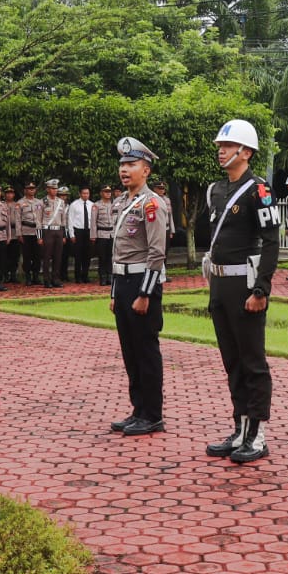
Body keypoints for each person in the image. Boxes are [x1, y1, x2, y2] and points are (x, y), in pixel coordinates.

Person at [201, 120, 282, 464]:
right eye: (219, 144)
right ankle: (239, 426)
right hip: (220, 284)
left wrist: (261, 287)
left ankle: (256, 434)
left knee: (252, 361)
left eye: (228, 144)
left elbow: (270, 242)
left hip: (246, 286)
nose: (220, 149)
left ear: (245, 152)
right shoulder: (215, 190)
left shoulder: (259, 190)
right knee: (231, 360)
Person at [109, 138, 169, 437]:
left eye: (131, 164)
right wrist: (113, 292)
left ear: (145, 170)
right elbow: (117, 252)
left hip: (142, 283)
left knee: (146, 350)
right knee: (129, 351)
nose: (124, 170)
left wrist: (145, 293)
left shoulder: (151, 203)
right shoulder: (121, 203)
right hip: (123, 282)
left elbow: (156, 252)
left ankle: (153, 414)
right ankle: (138, 410)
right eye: (122, 164)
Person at [39, 179, 68, 289]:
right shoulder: (42, 202)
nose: (54, 190)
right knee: (47, 256)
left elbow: (64, 219)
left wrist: (64, 235)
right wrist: (39, 236)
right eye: (52, 188)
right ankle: (46, 279)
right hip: (48, 231)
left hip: (59, 231)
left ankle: (55, 278)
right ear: (47, 189)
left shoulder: (61, 202)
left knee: (58, 256)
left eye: (56, 188)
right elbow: (38, 220)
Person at [18, 183, 42, 286]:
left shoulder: (39, 202)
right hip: (26, 231)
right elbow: (17, 219)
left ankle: (36, 276)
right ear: (25, 190)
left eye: (33, 188)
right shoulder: (20, 203)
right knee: (27, 256)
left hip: (37, 232)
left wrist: (42, 233)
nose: (31, 190)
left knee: (37, 255)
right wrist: (19, 234)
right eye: (29, 189)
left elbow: (42, 217)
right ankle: (28, 277)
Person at [69, 186, 94, 283]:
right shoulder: (74, 205)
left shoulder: (92, 205)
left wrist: (93, 234)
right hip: (78, 231)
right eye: (84, 193)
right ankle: (78, 277)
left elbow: (93, 220)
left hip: (88, 231)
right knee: (78, 255)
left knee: (87, 255)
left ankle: (85, 276)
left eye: (87, 193)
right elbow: (70, 220)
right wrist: (72, 234)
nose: (86, 195)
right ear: (80, 194)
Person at [92, 185, 116, 287]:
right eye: (106, 191)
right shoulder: (96, 205)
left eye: (109, 191)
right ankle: (102, 277)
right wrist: (93, 235)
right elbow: (93, 221)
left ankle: (110, 276)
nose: (108, 193)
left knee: (111, 257)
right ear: (101, 193)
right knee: (102, 257)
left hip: (112, 233)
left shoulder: (114, 204)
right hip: (101, 234)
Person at [1, 186, 22, 287]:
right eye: (7, 193)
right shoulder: (1, 205)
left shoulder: (17, 205)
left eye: (11, 193)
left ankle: (13, 275)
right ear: (4, 195)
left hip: (15, 233)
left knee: (15, 256)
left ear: (14, 194)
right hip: (4, 234)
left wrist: (19, 233)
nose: (9, 195)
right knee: (4, 256)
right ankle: (5, 275)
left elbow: (19, 219)